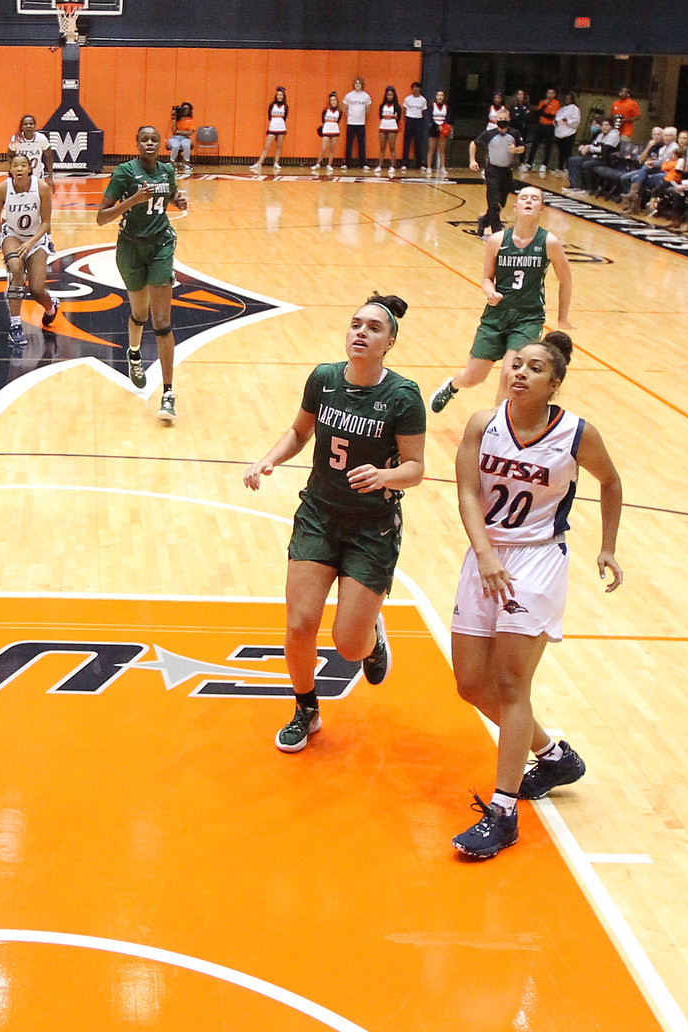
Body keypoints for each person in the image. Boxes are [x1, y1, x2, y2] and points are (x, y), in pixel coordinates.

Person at [447, 331, 623, 859]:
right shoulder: (483, 422)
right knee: (470, 684)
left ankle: (503, 812)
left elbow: (610, 481)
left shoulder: (576, 435)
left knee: (509, 683)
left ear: (555, 383)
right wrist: (484, 553)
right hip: (486, 555)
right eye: (516, 364)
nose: (519, 373)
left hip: (538, 561)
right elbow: (467, 493)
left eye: (534, 368)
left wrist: (608, 547)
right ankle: (552, 755)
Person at [243, 295, 425, 752]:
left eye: (374, 328)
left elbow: (417, 467)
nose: (361, 332)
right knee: (301, 623)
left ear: (389, 343)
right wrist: (268, 459)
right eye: (355, 324)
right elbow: (300, 431)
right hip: (320, 516)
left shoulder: (402, 396)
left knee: (347, 646)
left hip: (373, 527)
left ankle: (371, 634)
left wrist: (386, 475)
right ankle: (306, 707)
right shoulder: (324, 380)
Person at [431, 187, 575, 413]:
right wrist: (489, 291)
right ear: (516, 207)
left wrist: (562, 317)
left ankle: (499, 427)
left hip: (528, 318)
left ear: (542, 208)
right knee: (473, 376)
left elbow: (566, 280)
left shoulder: (549, 242)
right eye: (524, 198)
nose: (529, 201)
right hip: (496, 315)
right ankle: (452, 385)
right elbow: (486, 278)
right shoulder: (498, 240)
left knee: (509, 374)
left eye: (535, 198)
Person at [98, 125, 188, 422]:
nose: (149, 143)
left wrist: (179, 201)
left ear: (160, 144)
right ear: (136, 144)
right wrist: (131, 201)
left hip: (161, 245)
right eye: (144, 140)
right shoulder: (124, 173)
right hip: (130, 248)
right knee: (140, 313)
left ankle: (168, 393)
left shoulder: (167, 170)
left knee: (162, 322)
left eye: (154, 139)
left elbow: (171, 195)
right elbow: (101, 217)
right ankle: (134, 353)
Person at [0, 149, 60, 349]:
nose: (19, 168)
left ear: (30, 168)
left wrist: (31, 243)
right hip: (12, 235)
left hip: (36, 239)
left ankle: (51, 307)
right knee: (16, 268)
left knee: (37, 290)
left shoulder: (42, 188)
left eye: (23, 165)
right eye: (15, 165)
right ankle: (15, 326)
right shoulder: (3, 188)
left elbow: (46, 223)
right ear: (10, 169)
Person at [469, 112, 518, 234]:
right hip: (492, 170)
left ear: (509, 119)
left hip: (507, 171)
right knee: (494, 199)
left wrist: (516, 149)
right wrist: (472, 160)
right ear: (496, 120)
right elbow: (474, 144)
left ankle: (484, 221)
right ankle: (496, 229)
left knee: (502, 202)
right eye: (500, 118)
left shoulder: (514, 133)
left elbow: (522, 148)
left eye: (505, 119)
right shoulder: (490, 134)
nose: (502, 121)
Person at [8, 113, 55, 180]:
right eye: (25, 124)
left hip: (38, 176)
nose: (28, 126)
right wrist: (13, 170)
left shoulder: (41, 138)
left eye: (31, 124)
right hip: (21, 177)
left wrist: (50, 177)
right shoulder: (16, 139)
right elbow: (9, 155)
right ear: (21, 127)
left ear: (35, 126)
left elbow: (49, 156)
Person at [252, 86, 288, 171]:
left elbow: (285, 117)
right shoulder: (272, 105)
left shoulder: (286, 106)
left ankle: (276, 163)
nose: (280, 96)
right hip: (272, 128)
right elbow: (269, 116)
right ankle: (259, 163)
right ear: (276, 96)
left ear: (283, 96)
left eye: (281, 95)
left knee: (279, 146)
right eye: (278, 95)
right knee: (266, 146)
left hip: (281, 128)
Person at [525, 87, 559, 172]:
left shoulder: (556, 103)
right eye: (548, 93)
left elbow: (551, 116)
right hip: (541, 125)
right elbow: (537, 113)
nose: (550, 95)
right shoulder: (542, 102)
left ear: (554, 95)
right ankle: (529, 163)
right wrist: (544, 106)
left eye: (552, 93)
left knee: (547, 146)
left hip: (549, 126)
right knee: (534, 144)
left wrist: (542, 113)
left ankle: (544, 164)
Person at [341, 77, 372, 170]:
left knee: (362, 144)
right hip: (350, 123)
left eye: (359, 84)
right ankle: (347, 163)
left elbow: (368, 109)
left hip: (361, 123)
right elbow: (344, 108)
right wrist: (351, 115)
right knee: (349, 143)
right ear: (353, 85)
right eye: (356, 83)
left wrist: (361, 116)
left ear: (362, 85)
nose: (357, 85)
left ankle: (363, 163)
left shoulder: (366, 96)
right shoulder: (349, 95)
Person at [401, 81, 428, 171]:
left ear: (419, 89)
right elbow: (404, 110)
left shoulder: (423, 100)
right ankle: (405, 163)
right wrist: (405, 120)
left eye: (417, 87)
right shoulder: (408, 99)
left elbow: (424, 111)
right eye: (413, 87)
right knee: (407, 143)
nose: (415, 89)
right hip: (409, 120)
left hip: (418, 121)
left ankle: (419, 163)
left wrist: (420, 120)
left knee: (418, 143)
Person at [550, 96, 581, 174]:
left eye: (569, 98)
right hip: (560, 132)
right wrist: (556, 122)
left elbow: (576, 121)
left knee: (567, 152)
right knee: (561, 151)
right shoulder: (562, 109)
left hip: (569, 133)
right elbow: (557, 118)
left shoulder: (575, 109)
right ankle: (560, 167)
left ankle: (568, 167)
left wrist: (567, 121)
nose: (567, 100)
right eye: (566, 98)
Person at [376, 86, 401, 176]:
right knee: (382, 147)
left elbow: (399, 118)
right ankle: (379, 165)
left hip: (392, 127)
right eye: (388, 95)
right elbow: (380, 116)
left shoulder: (397, 106)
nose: (389, 97)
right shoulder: (382, 106)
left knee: (392, 147)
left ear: (394, 96)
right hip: (383, 126)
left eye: (391, 95)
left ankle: (392, 166)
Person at [314, 90, 340, 173]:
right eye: (332, 100)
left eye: (335, 100)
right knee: (323, 148)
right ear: (329, 101)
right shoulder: (326, 110)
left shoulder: (339, 111)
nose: (333, 102)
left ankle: (329, 165)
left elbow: (338, 120)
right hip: (326, 129)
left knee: (332, 149)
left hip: (335, 130)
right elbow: (323, 119)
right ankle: (318, 164)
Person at [167, 102, 196, 174]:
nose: (186, 110)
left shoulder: (190, 120)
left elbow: (190, 132)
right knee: (175, 146)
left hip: (185, 138)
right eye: (184, 109)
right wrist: (174, 117)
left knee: (186, 145)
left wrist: (178, 132)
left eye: (187, 109)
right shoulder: (176, 120)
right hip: (175, 138)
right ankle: (172, 162)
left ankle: (186, 162)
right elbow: (173, 130)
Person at [428, 90, 451, 173]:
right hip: (434, 128)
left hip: (443, 129)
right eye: (438, 95)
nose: (440, 97)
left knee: (442, 150)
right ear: (436, 96)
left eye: (442, 95)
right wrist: (437, 126)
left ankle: (443, 167)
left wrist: (444, 126)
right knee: (431, 149)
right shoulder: (432, 106)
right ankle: (429, 167)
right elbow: (430, 118)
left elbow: (447, 118)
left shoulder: (446, 107)